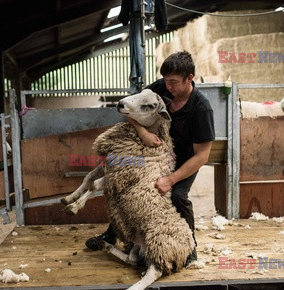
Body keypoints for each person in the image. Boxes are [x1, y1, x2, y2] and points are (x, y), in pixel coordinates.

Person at [85, 51, 215, 263]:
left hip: (183, 160)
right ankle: (113, 233)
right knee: (126, 187)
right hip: (154, 154)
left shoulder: (201, 109)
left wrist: (170, 179)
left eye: (173, 82)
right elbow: (128, 108)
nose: (168, 87)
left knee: (177, 196)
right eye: (166, 81)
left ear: (189, 78)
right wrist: (143, 132)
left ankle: (189, 246)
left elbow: (202, 156)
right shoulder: (161, 87)